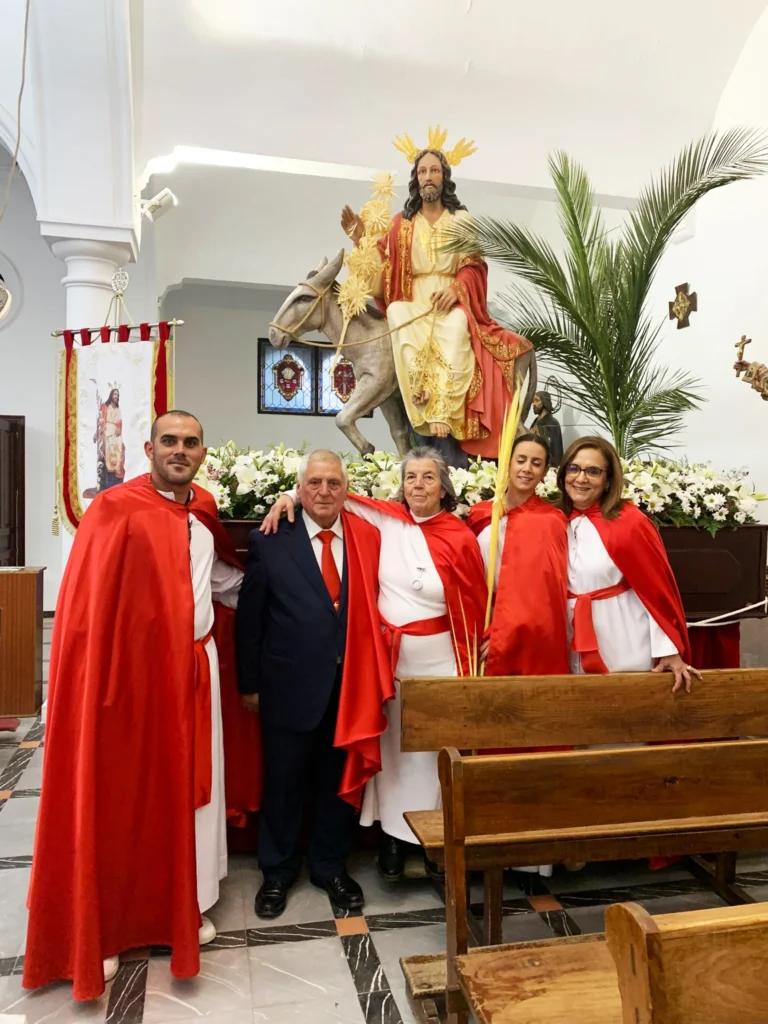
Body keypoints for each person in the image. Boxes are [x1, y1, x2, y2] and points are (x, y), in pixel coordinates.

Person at [24, 411, 260, 1001]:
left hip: (195, 672)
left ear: (205, 452)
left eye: (191, 442)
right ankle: (110, 922)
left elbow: (226, 584)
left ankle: (188, 903)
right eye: (170, 441)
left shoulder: (200, 514)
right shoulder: (114, 511)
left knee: (193, 794)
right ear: (149, 447)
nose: (180, 450)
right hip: (128, 684)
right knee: (124, 795)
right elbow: (87, 614)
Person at [263, 447, 487, 882]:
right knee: (393, 752)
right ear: (400, 485)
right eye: (411, 477)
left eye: (428, 477)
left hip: (441, 662)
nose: (418, 485)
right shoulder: (386, 519)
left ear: (444, 486)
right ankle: (393, 839)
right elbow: (330, 497)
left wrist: (479, 648)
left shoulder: (460, 536)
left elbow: (475, 602)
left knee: (433, 756)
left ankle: (432, 843)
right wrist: (287, 498)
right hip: (387, 663)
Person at [237, 450, 393, 919]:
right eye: (314, 484)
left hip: (349, 689)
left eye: (333, 483)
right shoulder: (270, 538)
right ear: (299, 489)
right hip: (287, 686)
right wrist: (250, 684)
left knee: (335, 783)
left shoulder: (368, 536)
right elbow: (250, 619)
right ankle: (278, 872)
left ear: (347, 489)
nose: (324, 492)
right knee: (283, 784)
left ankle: (329, 867)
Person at [341, 147, 532, 457]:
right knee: (397, 312)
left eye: (434, 171)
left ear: (444, 176)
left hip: (449, 299)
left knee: (457, 327)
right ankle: (422, 401)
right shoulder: (400, 224)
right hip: (413, 299)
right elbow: (382, 272)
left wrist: (457, 288)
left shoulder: (461, 219)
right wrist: (360, 241)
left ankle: (445, 409)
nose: (428, 177)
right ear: (415, 180)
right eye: (422, 172)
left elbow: (474, 265)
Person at [558, 436, 700, 689]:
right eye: (574, 468)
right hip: (566, 640)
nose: (580, 478)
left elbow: (655, 592)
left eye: (593, 471)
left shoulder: (630, 523)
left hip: (623, 642)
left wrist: (667, 649)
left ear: (607, 480)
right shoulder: (553, 520)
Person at [468, 433, 569, 676]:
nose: (527, 469)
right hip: (477, 620)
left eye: (536, 463)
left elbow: (540, 591)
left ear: (545, 472)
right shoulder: (480, 513)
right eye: (521, 460)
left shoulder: (550, 521)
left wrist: (502, 631)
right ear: (508, 463)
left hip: (523, 626)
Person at [95, 387, 125, 490]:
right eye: (114, 394)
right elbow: (101, 419)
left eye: (117, 395)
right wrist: (100, 432)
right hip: (107, 431)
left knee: (119, 451)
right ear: (111, 395)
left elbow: (120, 422)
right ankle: (107, 481)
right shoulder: (105, 407)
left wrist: (118, 428)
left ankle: (116, 478)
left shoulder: (118, 409)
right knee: (109, 453)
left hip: (116, 434)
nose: (116, 396)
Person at [529, 391, 563, 466]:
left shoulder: (552, 423)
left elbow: (553, 449)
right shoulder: (536, 421)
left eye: (537, 400)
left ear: (544, 402)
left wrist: (535, 436)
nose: (533, 404)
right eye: (533, 401)